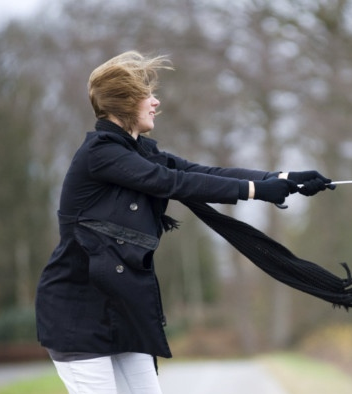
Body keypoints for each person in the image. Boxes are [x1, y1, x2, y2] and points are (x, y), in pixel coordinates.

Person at [35, 51, 334, 394]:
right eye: (148, 95)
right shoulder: (100, 154)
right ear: (125, 101)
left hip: (122, 310)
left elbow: (199, 172)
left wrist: (282, 177)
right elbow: (172, 183)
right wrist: (257, 191)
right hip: (77, 313)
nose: (156, 102)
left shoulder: (139, 151)